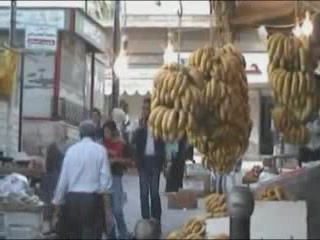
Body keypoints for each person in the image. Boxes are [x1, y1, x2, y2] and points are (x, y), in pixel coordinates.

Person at [52, 120, 112, 239]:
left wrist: (57, 208)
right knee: (91, 234)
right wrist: (108, 211)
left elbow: (63, 181)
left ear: (80, 134)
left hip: (72, 200)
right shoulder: (100, 150)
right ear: (94, 134)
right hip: (92, 200)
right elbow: (105, 183)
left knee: (73, 234)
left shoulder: (71, 151)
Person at [132, 97, 165, 232]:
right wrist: (137, 161)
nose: (145, 111)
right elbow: (134, 145)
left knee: (154, 193)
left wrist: (164, 161)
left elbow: (164, 145)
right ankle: (146, 224)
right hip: (144, 163)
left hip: (155, 162)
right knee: (144, 194)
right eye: (143, 109)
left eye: (147, 109)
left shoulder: (159, 127)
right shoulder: (140, 128)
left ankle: (156, 222)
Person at [103, 119, 130, 239]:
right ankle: (111, 234)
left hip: (116, 177)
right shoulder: (102, 143)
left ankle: (123, 233)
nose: (105, 134)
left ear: (113, 131)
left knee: (117, 209)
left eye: (107, 131)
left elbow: (130, 161)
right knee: (107, 210)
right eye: (104, 132)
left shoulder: (122, 144)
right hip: (103, 179)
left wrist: (116, 160)